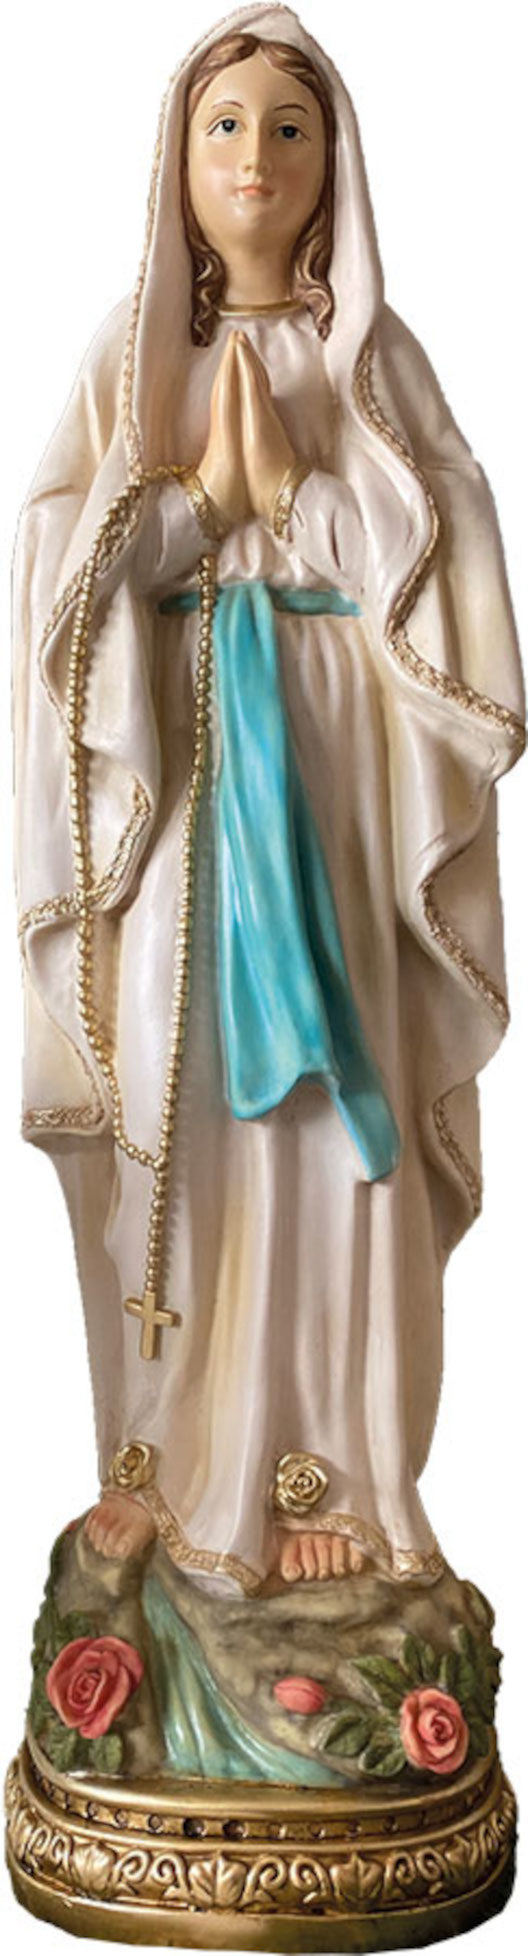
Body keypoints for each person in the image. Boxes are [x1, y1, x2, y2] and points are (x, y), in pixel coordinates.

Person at [13, 5, 524, 1601]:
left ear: (335, 161)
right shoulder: (128, 356)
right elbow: (57, 591)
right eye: (224, 124)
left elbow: (450, 583)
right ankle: (168, 1461)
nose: (255, 157)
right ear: (178, 157)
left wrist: (302, 494)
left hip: (336, 802)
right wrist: (191, 510)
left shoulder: (374, 360)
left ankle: (333, 1471)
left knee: (324, 1111)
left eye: (289, 128)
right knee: (185, 1101)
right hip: (178, 804)